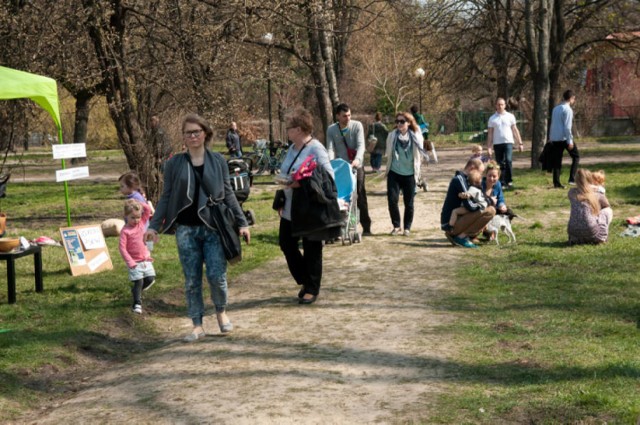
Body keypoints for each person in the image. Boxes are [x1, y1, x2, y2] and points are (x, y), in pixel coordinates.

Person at [145, 114, 250, 342]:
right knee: (192, 279)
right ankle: (197, 324)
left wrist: (242, 223)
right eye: (188, 133)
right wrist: (153, 226)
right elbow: (167, 196)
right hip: (186, 230)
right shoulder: (174, 164)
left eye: (196, 132)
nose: (192, 136)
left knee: (216, 275)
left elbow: (228, 193)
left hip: (213, 228)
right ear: (183, 137)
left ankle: (221, 311)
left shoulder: (218, 161)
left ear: (205, 134)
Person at [277, 108, 340, 304]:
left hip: (310, 207)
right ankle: (306, 280)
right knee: (286, 244)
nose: (287, 131)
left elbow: (328, 176)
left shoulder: (316, 148)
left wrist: (301, 183)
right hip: (290, 208)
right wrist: (281, 195)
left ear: (299, 129)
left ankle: (312, 288)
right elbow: (286, 173)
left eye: (289, 128)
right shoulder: (292, 149)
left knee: (312, 248)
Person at [326, 103, 372, 235]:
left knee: (359, 194)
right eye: (344, 116)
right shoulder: (331, 130)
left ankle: (366, 225)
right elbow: (330, 148)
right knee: (340, 195)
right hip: (341, 167)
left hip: (356, 166)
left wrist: (357, 160)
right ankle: (340, 224)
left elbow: (361, 145)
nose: (348, 118)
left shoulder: (357, 126)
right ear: (338, 117)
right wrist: (331, 162)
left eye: (349, 115)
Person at [441, 158, 496, 248]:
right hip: (451, 224)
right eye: (480, 172)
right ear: (472, 168)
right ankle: (461, 237)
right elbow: (470, 206)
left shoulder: (468, 180)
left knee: (489, 210)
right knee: (490, 211)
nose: (480, 176)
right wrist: (489, 201)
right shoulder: (460, 180)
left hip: (459, 220)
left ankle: (465, 236)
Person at [384, 111, 424, 236]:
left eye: (402, 121)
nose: (399, 124)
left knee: (409, 202)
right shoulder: (391, 136)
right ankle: (396, 226)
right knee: (392, 200)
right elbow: (388, 152)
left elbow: (420, 155)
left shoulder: (416, 136)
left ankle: (407, 227)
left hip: (410, 174)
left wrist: (417, 170)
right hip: (394, 172)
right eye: (397, 122)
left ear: (408, 123)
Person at [119, 199, 155, 314]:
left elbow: (148, 209)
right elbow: (122, 248)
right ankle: (137, 303)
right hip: (134, 262)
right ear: (126, 216)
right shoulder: (125, 231)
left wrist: (138, 202)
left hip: (145, 259)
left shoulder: (142, 223)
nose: (136, 220)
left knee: (150, 279)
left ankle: (136, 291)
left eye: (138, 217)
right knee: (138, 281)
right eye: (132, 218)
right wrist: (130, 262)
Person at [567, 169, 612, 245]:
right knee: (608, 211)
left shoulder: (571, 192)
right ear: (590, 179)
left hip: (573, 231)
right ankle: (601, 237)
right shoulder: (597, 192)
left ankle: (577, 238)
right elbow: (606, 205)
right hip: (591, 231)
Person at [486, 97, 523, 189]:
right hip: (497, 143)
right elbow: (490, 133)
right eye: (498, 104)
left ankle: (509, 181)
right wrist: (489, 147)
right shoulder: (492, 118)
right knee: (499, 163)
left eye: (502, 104)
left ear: (505, 105)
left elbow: (515, 130)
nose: (500, 106)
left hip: (508, 142)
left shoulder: (510, 116)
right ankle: (501, 182)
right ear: (495, 105)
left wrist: (520, 143)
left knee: (508, 161)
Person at [549, 90, 579, 188]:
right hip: (564, 138)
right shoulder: (568, 110)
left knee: (557, 161)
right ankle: (572, 178)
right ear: (571, 98)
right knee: (576, 156)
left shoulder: (555, 109)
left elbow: (553, 124)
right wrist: (570, 141)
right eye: (574, 98)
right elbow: (567, 127)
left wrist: (551, 137)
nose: (574, 100)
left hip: (555, 138)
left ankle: (556, 182)